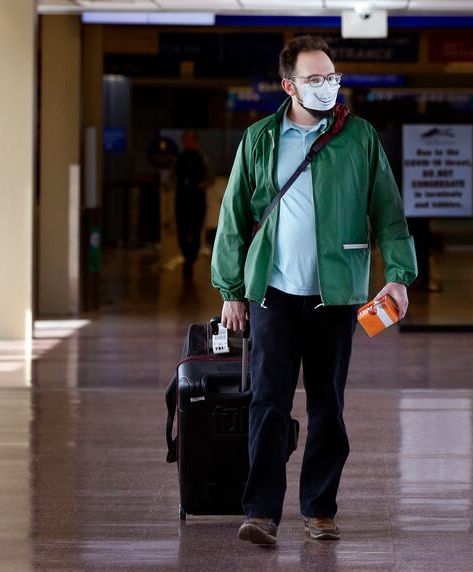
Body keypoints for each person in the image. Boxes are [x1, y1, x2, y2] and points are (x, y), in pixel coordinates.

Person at [211, 35, 417, 546]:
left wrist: (398, 273)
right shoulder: (260, 138)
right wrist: (230, 288)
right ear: (289, 85)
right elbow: (233, 216)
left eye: (332, 77)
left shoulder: (359, 137)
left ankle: (319, 508)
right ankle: (261, 511)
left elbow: (388, 212)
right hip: (272, 294)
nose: (328, 86)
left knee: (329, 404)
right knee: (268, 403)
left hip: (337, 295)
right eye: (315, 79)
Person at [174, 130, 212, 277]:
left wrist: (200, 185)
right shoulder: (179, 159)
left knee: (196, 231)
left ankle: (190, 259)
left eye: (192, 140)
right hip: (181, 199)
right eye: (186, 140)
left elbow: (210, 179)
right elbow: (172, 178)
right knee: (182, 232)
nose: (189, 143)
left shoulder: (202, 159)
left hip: (197, 200)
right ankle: (188, 259)